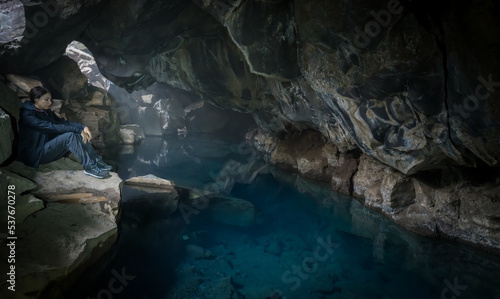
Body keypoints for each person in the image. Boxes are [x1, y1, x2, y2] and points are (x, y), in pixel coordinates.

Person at [17, 86, 112, 179]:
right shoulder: (27, 115)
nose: (50, 102)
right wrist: (77, 130)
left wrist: (82, 127)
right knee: (70, 136)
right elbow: (51, 127)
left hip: (47, 148)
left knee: (78, 134)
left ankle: (97, 161)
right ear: (36, 99)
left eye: (50, 99)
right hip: (36, 154)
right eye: (46, 99)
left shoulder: (44, 111)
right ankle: (89, 167)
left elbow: (62, 122)